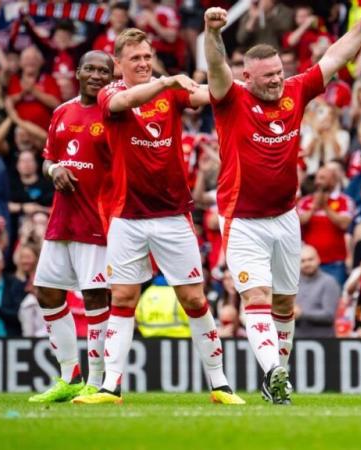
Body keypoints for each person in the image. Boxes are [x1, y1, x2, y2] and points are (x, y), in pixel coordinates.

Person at [203, 1, 361, 404]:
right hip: (243, 219)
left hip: (285, 216)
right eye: (267, 77)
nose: (276, 82)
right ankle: (275, 370)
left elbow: (335, 55)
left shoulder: (295, 91)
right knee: (257, 298)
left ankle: (275, 383)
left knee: (285, 302)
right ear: (246, 77)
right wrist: (213, 34)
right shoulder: (230, 99)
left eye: (280, 74)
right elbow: (216, 68)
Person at [74, 29, 241, 406]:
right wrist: (167, 80)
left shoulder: (170, 92)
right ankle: (110, 388)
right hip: (126, 215)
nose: (144, 64)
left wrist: (215, 58)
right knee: (123, 296)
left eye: (148, 57)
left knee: (194, 299)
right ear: (118, 64)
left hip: (172, 214)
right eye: (135, 59)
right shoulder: (111, 93)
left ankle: (221, 385)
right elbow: (125, 102)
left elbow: (211, 95)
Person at [27, 51, 115, 403]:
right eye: (90, 68)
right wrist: (53, 170)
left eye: (103, 70)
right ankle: (70, 375)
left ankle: (97, 380)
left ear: (112, 76)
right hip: (61, 218)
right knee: (47, 292)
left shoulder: (115, 112)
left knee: (94, 296)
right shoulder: (62, 112)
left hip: (98, 218)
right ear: (77, 72)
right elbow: (49, 156)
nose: (96, 75)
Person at [297, 166, 354, 285]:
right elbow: (298, 223)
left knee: (333, 298)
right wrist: (313, 209)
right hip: (308, 263)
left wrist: (326, 207)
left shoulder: (344, 201)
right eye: (317, 178)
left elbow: (344, 224)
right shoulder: (306, 201)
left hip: (335, 263)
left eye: (323, 178)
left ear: (333, 181)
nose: (318, 181)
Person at [295, 245, 340, 338]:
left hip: (323, 342)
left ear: (318, 259)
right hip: (296, 341)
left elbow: (329, 316)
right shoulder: (293, 283)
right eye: (302, 261)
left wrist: (302, 314)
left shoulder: (329, 282)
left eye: (310, 259)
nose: (307, 264)